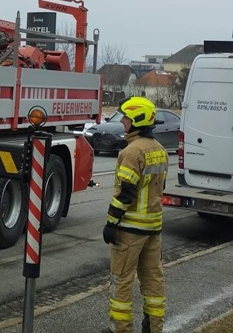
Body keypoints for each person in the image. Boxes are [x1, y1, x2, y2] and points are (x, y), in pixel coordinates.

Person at [102, 96, 168, 333]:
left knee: (121, 281)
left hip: (130, 230)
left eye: (126, 118)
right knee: (153, 280)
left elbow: (125, 193)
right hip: (153, 229)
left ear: (137, 120)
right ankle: (154, 327)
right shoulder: (160, 150)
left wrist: (111, 223)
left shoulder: (131, 152)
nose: (122, 122)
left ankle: (120, 329)